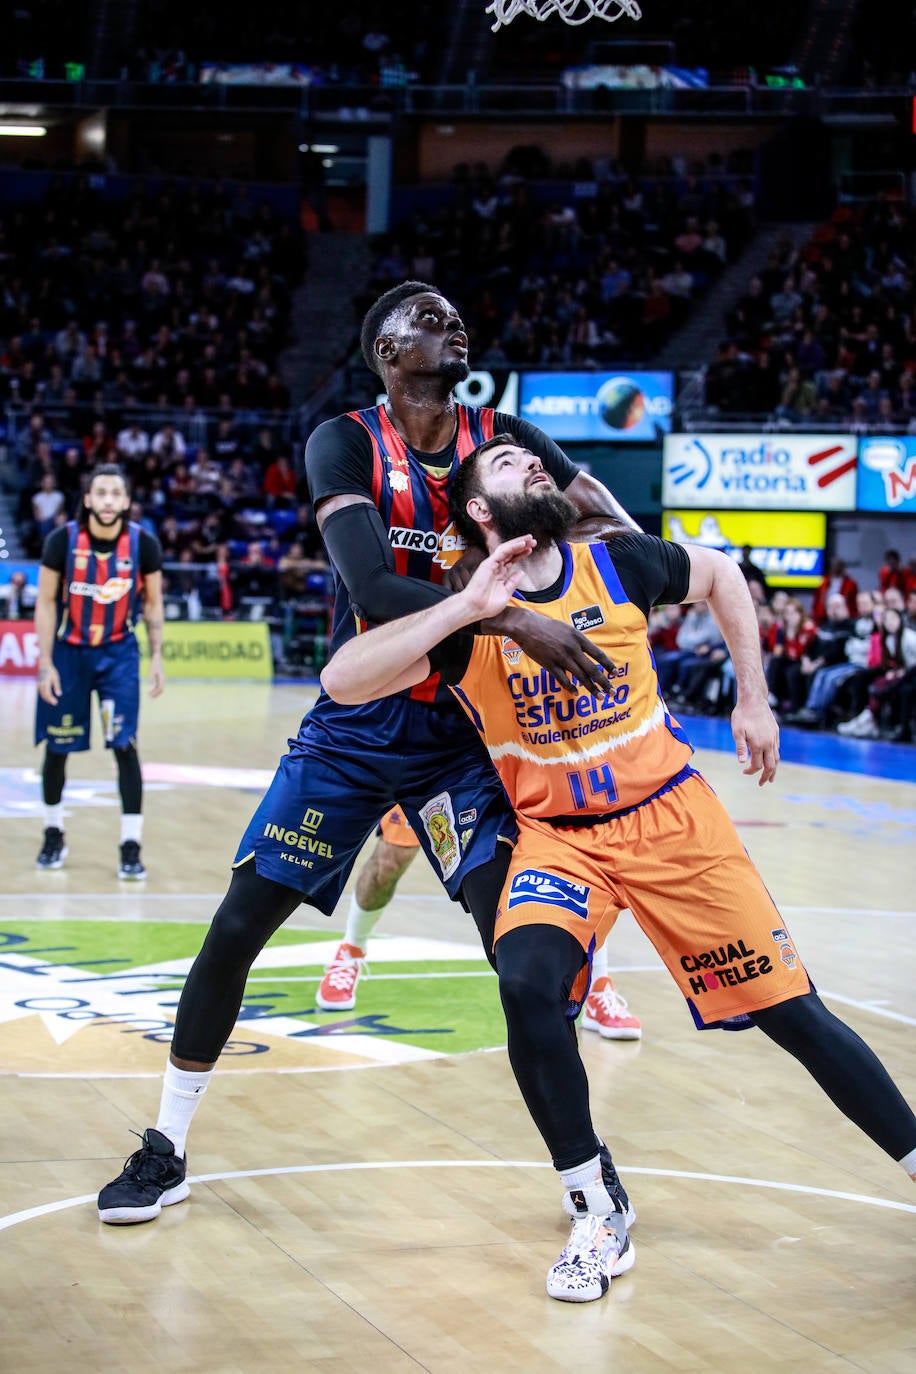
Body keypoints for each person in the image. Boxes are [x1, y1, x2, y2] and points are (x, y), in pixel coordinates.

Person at [319, 434, 916, 1302]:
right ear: (481, 514)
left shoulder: (621, 560)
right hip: (562, 840)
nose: (533, 467)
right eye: (508, 468)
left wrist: (754, 696)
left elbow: (721, 578)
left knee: (794, 1016)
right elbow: (343, 681)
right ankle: (595, 1208)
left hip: (674, 822)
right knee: (525, 984)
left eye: (533, 462)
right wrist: (462, 609)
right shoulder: (467, 617)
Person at [95, 281, 634, 1227]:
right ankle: (168, 1146)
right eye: (427, 316)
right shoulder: (344, 441)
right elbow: (373, 584)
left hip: (467, 733)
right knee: (234, 931)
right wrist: (511, 616)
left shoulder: (504, 437)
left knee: (523, 965)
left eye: (454, 313)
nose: (451, 321)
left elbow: (591, 513)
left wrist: (634, 565)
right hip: (360, 721)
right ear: (387, 352)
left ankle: (587, 1175)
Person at [316, 805, 642, 1040]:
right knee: (390, 859)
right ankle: (351, 950)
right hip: (433, 746)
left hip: (504, 752)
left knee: (567, 859)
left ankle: (598, 985)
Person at [34, 464, 165, 878]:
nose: (108, 500)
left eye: (116, 494)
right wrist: (44, 663)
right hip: (70, 655)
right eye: (101, 493)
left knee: (124, 745)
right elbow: (45, 602)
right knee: (58, 748)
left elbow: (153, 605)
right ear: (88, 499)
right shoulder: (61, 541)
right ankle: (53, 833)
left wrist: (157, 656)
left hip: (118, 656)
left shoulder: (144, 545)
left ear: (126, 502)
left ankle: (131, 844)